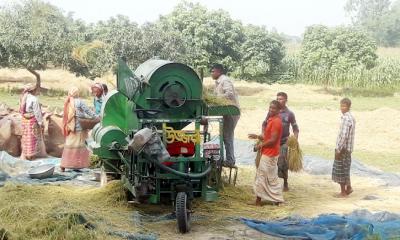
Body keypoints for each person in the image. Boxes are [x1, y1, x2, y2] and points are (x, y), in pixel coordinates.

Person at [248, 100, 284, 206]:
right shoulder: (271, 119)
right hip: (270, 152)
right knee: (270, 177)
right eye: (270, 107)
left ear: (279, 110)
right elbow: (268, 137)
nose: (271, 109)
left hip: (270, 153)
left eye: (274, 108)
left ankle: (258, 202)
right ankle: (277, 199)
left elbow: (273, 140)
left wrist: (260, 145)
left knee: (262, 176)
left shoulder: (276, 121)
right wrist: (258, 136)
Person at [61, 87, 98, 172]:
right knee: (80, 146)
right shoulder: (79, 101)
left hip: (70, 127)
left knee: (69, 145)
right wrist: (97, 118)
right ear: (77, 93)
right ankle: (78, 164)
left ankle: (64, 165)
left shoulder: (68, 101)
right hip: (80, 127)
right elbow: (88, 111)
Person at [211, 64, 240, 167]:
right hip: (226, 112)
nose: (212, 73)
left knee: (227, 136)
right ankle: (224, 159)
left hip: (231, 112)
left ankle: (230, 161)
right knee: (224, 136)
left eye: (213, 71)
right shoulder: (219, 82)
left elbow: (230, 94)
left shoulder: (225, 80)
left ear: (219, 72)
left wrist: (215, 98)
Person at [275, 92, 299, 191]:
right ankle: (273, 183)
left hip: (284, 142)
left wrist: (295, 139)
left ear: (286, 100)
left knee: (282, 162)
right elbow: (264, 123)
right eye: (277, 99)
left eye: (281, 99)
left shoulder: (289, 114)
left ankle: (285, 183)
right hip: (273, 141)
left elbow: (295, 128)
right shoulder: (273, 111)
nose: (279, 101)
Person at [332, 98, 355, 197]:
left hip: (343, 149)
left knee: (340, 169)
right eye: (341, 106)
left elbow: (344, 135)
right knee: (346, 168)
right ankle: (348, 187)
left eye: (344, 106)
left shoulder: (346, 118)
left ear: (349, 107)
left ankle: (343, 192)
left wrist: (339, 149)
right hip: (348, 148)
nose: (342, 108)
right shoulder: (351, 117)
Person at [19, 83, 47, 160]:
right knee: (32, 137)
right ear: (33, 90)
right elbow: (37, 112)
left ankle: (25, 154)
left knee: (25, 137)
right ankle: (31, 156)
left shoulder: (23, 98)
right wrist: (41, 122)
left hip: (25, 119)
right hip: (32, 120)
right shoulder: (34, 99)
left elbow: (21, 110)